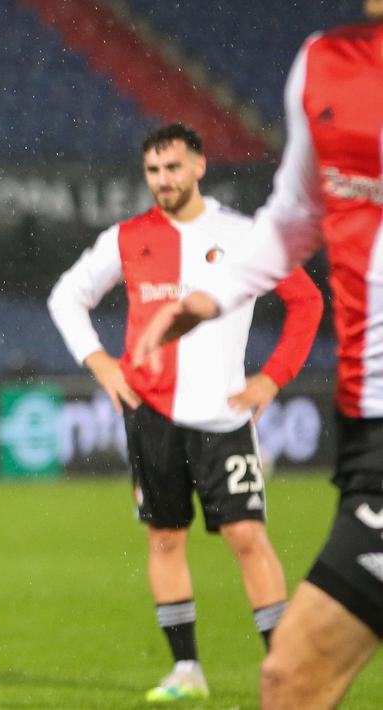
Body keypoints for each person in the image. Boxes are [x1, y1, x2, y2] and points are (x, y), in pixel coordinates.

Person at [133, 7, 383, 708]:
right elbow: (296, 215)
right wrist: (206, 299)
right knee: (292, 678)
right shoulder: (325, 63)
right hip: (370, 435)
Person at [49, 123, 323, 703]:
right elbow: (66, 296)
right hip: (150, 414)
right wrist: (102, 365)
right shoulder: (126, 237)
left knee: (248, 536)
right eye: (153, 170)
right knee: (165, 539)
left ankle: (284, 667)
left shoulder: (244, 234)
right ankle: (186, 671)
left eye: (173, 167)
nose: (163, 180)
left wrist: (270, 380)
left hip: (223, 417)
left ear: (199, 166)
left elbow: (307, 300)